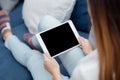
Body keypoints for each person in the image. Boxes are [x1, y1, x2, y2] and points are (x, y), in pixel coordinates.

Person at [1, 0, 120, 79]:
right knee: (47, 22)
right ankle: (36, 42)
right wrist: (91, 52)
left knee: (34, 59)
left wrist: (55, 72)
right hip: (96, 66)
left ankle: (7, 35)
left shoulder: (83, 72)